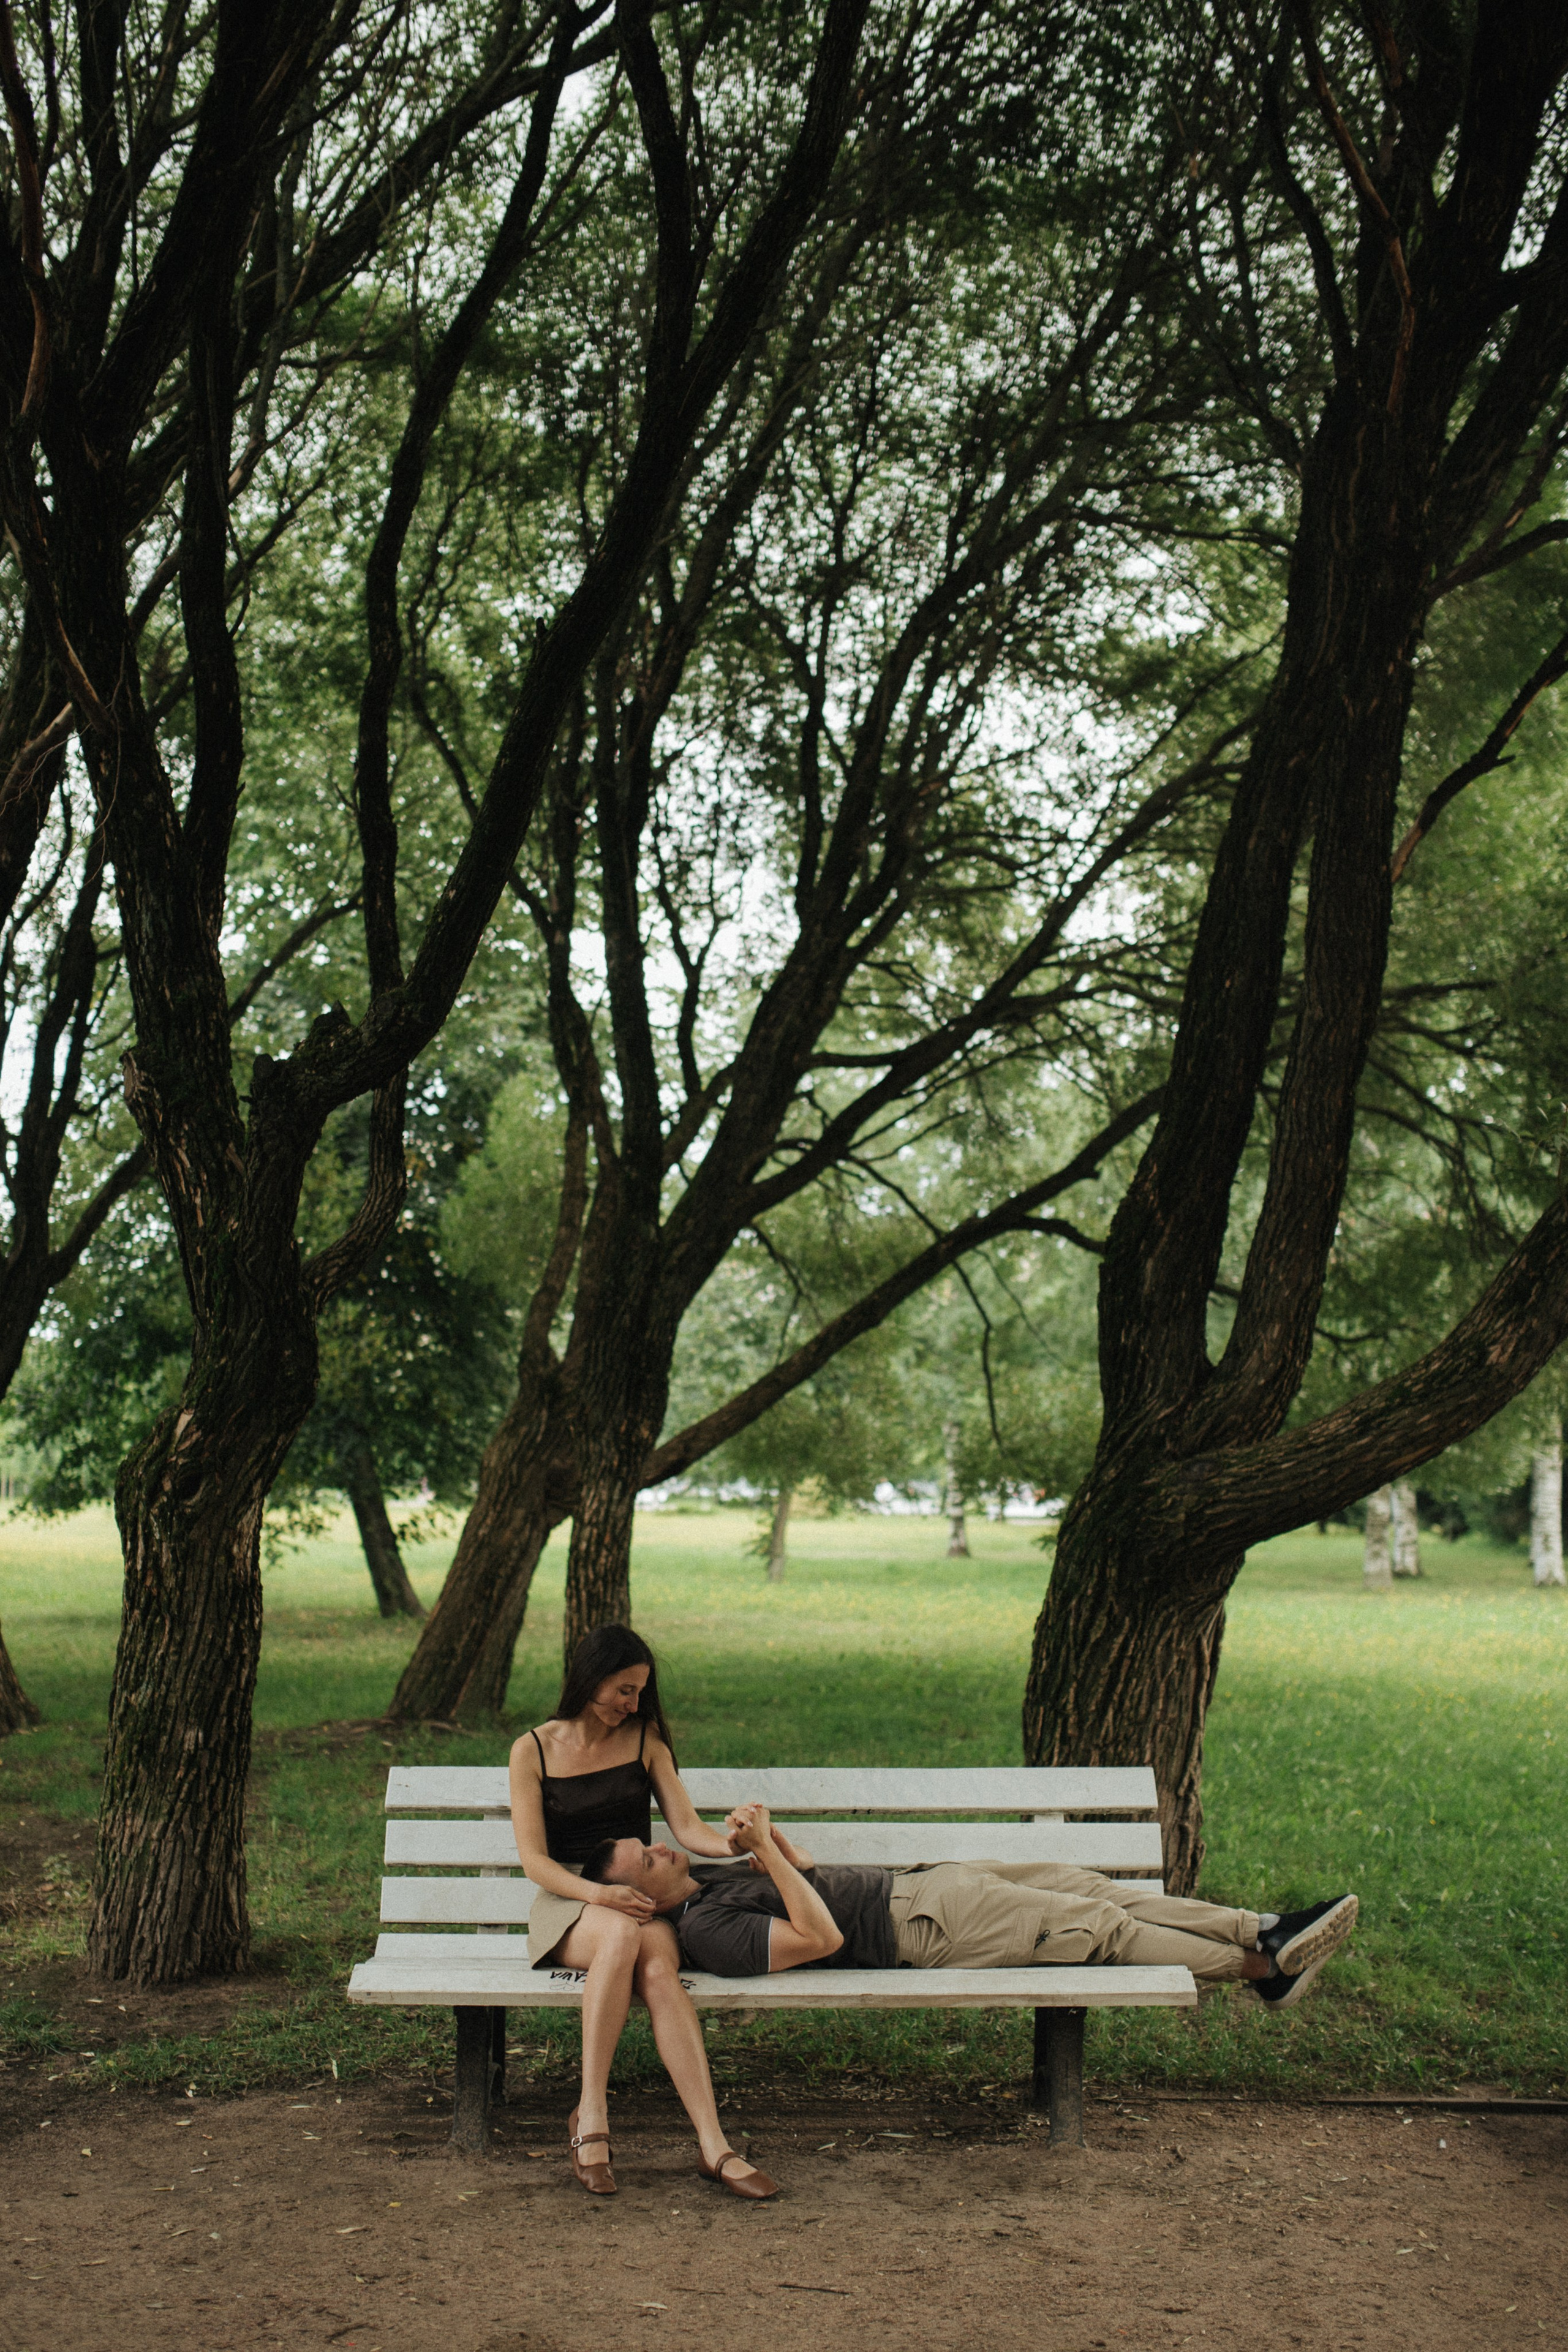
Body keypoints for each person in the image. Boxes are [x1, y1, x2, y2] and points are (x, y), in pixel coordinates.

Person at [581, 1803, 1359, 2005]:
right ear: (637, 1899)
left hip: (928, 1884)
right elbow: (817, 1936)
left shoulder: (708, 1880)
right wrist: (761, 1854)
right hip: (921, 1928)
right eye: (644, 1859)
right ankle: (1261, 1967)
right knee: (1103, 1931)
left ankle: (1262, 1926)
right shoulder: (709, 1930)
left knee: (1095, 1890)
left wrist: (766, 1837)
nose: (659, 1847)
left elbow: (808, 1867)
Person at [508, 1626, 777, 2203]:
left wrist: (737, 1846)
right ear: (590, 1678)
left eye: (638, 1694)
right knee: (623, 1938)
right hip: (569, 1900)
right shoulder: (532, 1749)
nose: (631, 1705)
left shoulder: (643, 1739)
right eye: (623, 1691)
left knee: (656, 1959)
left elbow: (685, 1828)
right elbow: (534, 1860)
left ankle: (714, 2145)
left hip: (632, 1900)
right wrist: (597, 1896)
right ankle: (593, 2115)